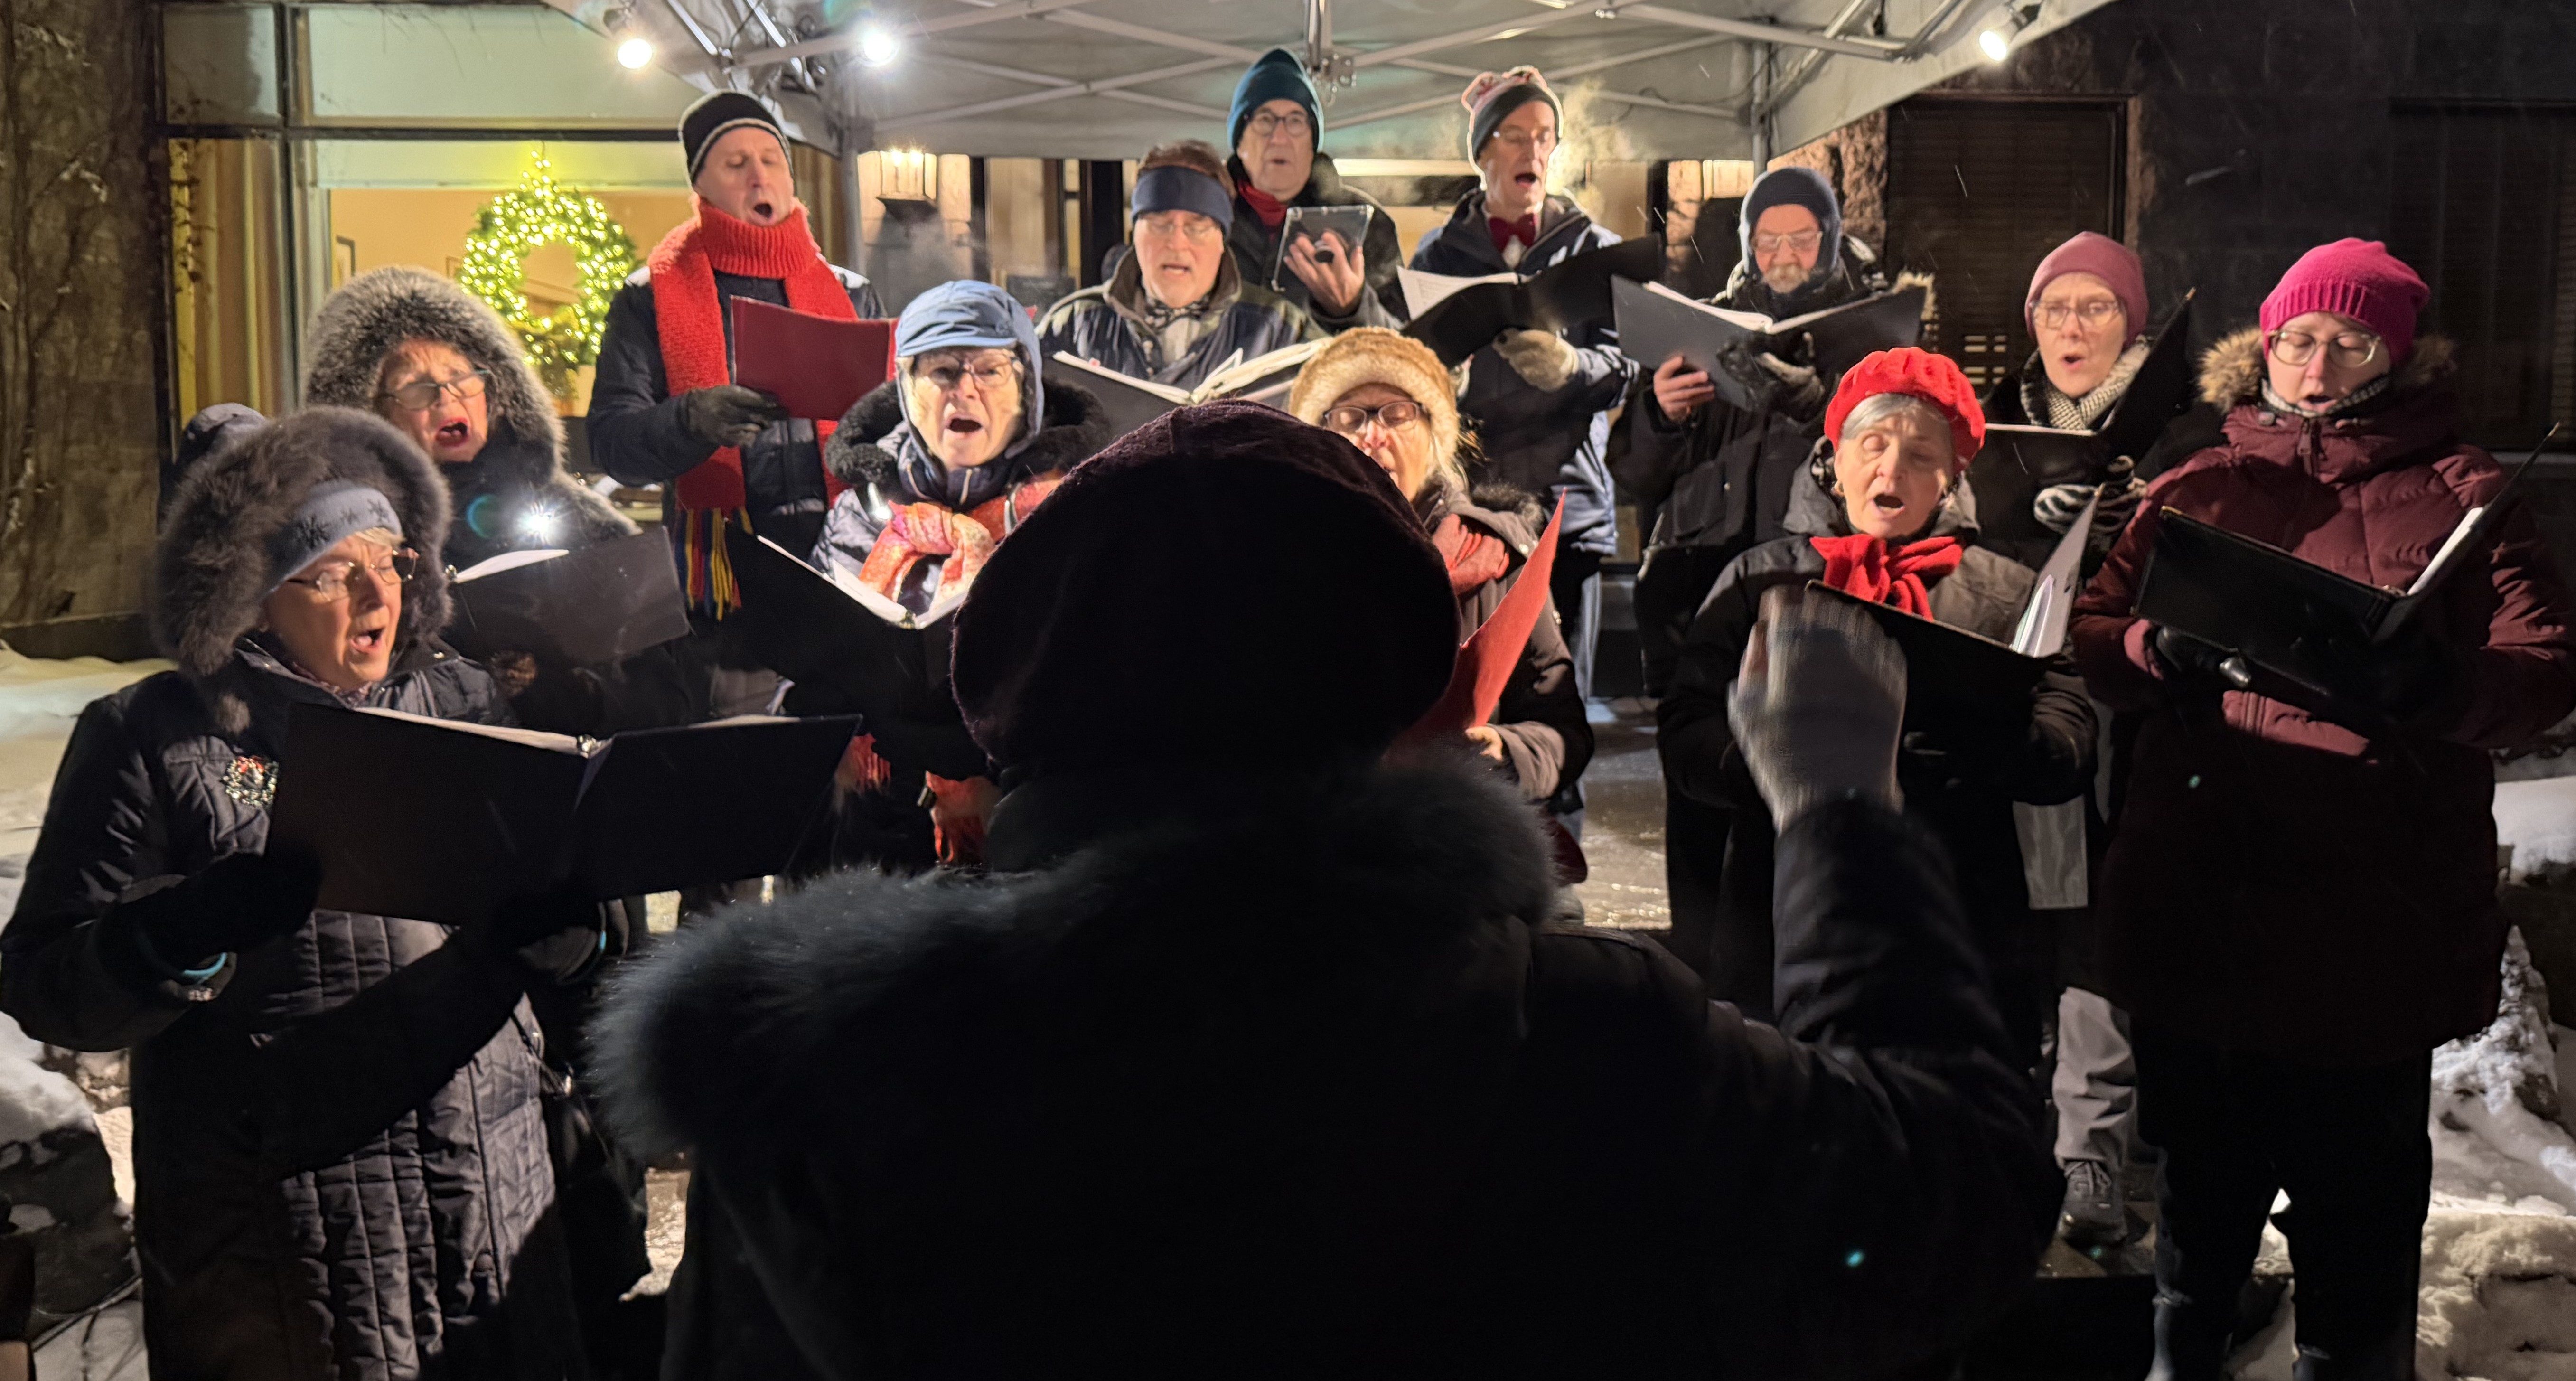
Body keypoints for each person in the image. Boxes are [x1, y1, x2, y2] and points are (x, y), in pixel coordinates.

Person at [590, 401, 2057, 1378]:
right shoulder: (1568, 1033)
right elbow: (1954, 1202)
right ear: (1401, 676)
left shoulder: (816, 1073)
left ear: (1009, 693)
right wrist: (1841, 808)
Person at [0, 409, 615, 1380]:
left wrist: (569, 942)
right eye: (331, 570)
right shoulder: (149, 738)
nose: (377, 590)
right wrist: (179, 934)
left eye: (390, 557)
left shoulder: (461, 700)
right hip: (287, 1246)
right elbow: (46, 981)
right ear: (248, 597)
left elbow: (550, 893)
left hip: (492, 1195)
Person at [2070, 240, 2576, 1381]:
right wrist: (2159, 646)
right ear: (2264, 347)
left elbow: (2543, 664)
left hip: (2372, 933)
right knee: (2195, 1245)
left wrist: (2437, 689)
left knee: (2357, 1264)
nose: (2315, 359)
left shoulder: (2464, 490)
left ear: (2397, 356)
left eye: (2348, 339)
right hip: (2207, 911)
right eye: (2297, 336)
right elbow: (2092, 629)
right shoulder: (2193, 483)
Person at [1657, 348, 2097, 1070]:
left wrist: (1957, 735)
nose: (1890, 472)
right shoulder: (1760, 579)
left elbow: (2064, 750)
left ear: (1952, 477)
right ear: (1832, 460)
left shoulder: (2011, 594)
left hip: (1954, 911)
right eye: (1873, 446)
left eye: (1920, 454)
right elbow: (1685, 733)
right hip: (1782, 904)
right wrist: (1789, 768)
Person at [303, 265, 697, 743]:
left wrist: (547, 687)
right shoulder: (344, 543)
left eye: (463, 376)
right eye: (416, 385)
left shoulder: (587, 525)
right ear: (370, 412)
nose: (448, 397)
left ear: (498, 393)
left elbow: (664, 705)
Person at [795, 279, 1109, 871]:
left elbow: (1106, 684)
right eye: (941, 371)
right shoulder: (859, 516)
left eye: (990, 370)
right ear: (907, 389)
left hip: (1033, 827)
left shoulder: (1074, 514)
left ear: (1028, 390)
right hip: (883, 836)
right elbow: (815, 660)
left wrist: (997, 763)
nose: (965, 390)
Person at [588, 90, 883, 637]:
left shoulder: (853, 294)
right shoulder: (649, 297)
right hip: (726, 590)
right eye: (735, 163)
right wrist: (691, 420)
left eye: (771, 160)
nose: (758, 177)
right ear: (700, 186)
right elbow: (612, 444)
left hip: (851, 575)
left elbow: (897, 433)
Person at [1611, 165, 1893, 695]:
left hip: (1812, 589)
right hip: (1695, 593)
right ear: (1749, 244)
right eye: (1768, 240)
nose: (1784, 255)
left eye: (1803, 240)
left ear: (1829, 240)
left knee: (1797, 755)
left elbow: (1894, 468)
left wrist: (1815, 405)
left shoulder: (1869, 338)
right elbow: (1633, 474)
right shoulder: (1699, 328)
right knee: (1698, 751)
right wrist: (1661, 413)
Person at [1410, 66, 1636, 714]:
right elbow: (1415, 374)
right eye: (1513, 136)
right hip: (1474, 512)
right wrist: (1442, 380)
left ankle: (1560, 820)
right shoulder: (1436, 257)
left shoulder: (1595, 249)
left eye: (1543, 137)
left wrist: (1572, 368)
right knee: (1476, 703)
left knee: (1561, 704)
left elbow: (1628, 370)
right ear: (1482, 154)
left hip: (1570, 512)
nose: (1531, 151)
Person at [1288, 327, 1591, 804]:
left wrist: (1505, 750)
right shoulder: (1276, 560)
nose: (1373, 434)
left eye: (1397, 413)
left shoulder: (1494, 557)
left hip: (1454, 840)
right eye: (1349, 416)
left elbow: (1560, 729)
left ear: (1434, 435)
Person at [1967, 231, 2203, 573]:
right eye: (2053, 310)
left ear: (2128, 326)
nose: (2071, 329)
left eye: (2095, 309)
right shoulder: (1989, 423)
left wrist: (2138, 519)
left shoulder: (2184, 420)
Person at [1037, 141, 1321, 392]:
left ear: (1222, 239)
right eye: (1160, 225)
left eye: (1197, 227)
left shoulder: (1280, 329)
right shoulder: (1075, 326)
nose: (1176, 243)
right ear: (1135, 233)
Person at [1221, 48, 1406, 329]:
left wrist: (1352, 308)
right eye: (1264, 119)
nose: (1280, 137)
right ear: (1240, 141)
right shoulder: (1205, 217)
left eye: (1296, 121)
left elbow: (1404, 343)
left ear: (1313, 143)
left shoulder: (1369, 224)